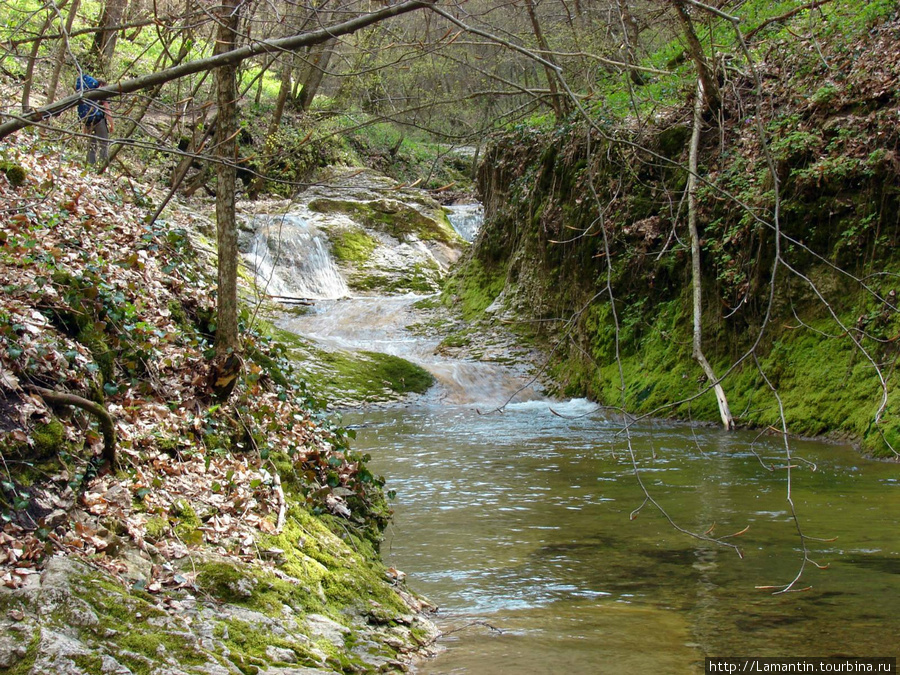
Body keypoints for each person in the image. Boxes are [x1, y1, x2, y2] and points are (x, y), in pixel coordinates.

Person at [75, 74, 113, 165]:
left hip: (88, 122)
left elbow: (85, 111)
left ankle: (90, 165)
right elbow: (107, 110)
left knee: (92, 145)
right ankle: (103, 165)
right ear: (102, 85)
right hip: (99, 121)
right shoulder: (101, 92)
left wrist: (84, 125)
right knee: (104, 143)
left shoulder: (86, 92)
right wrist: (112, 124)